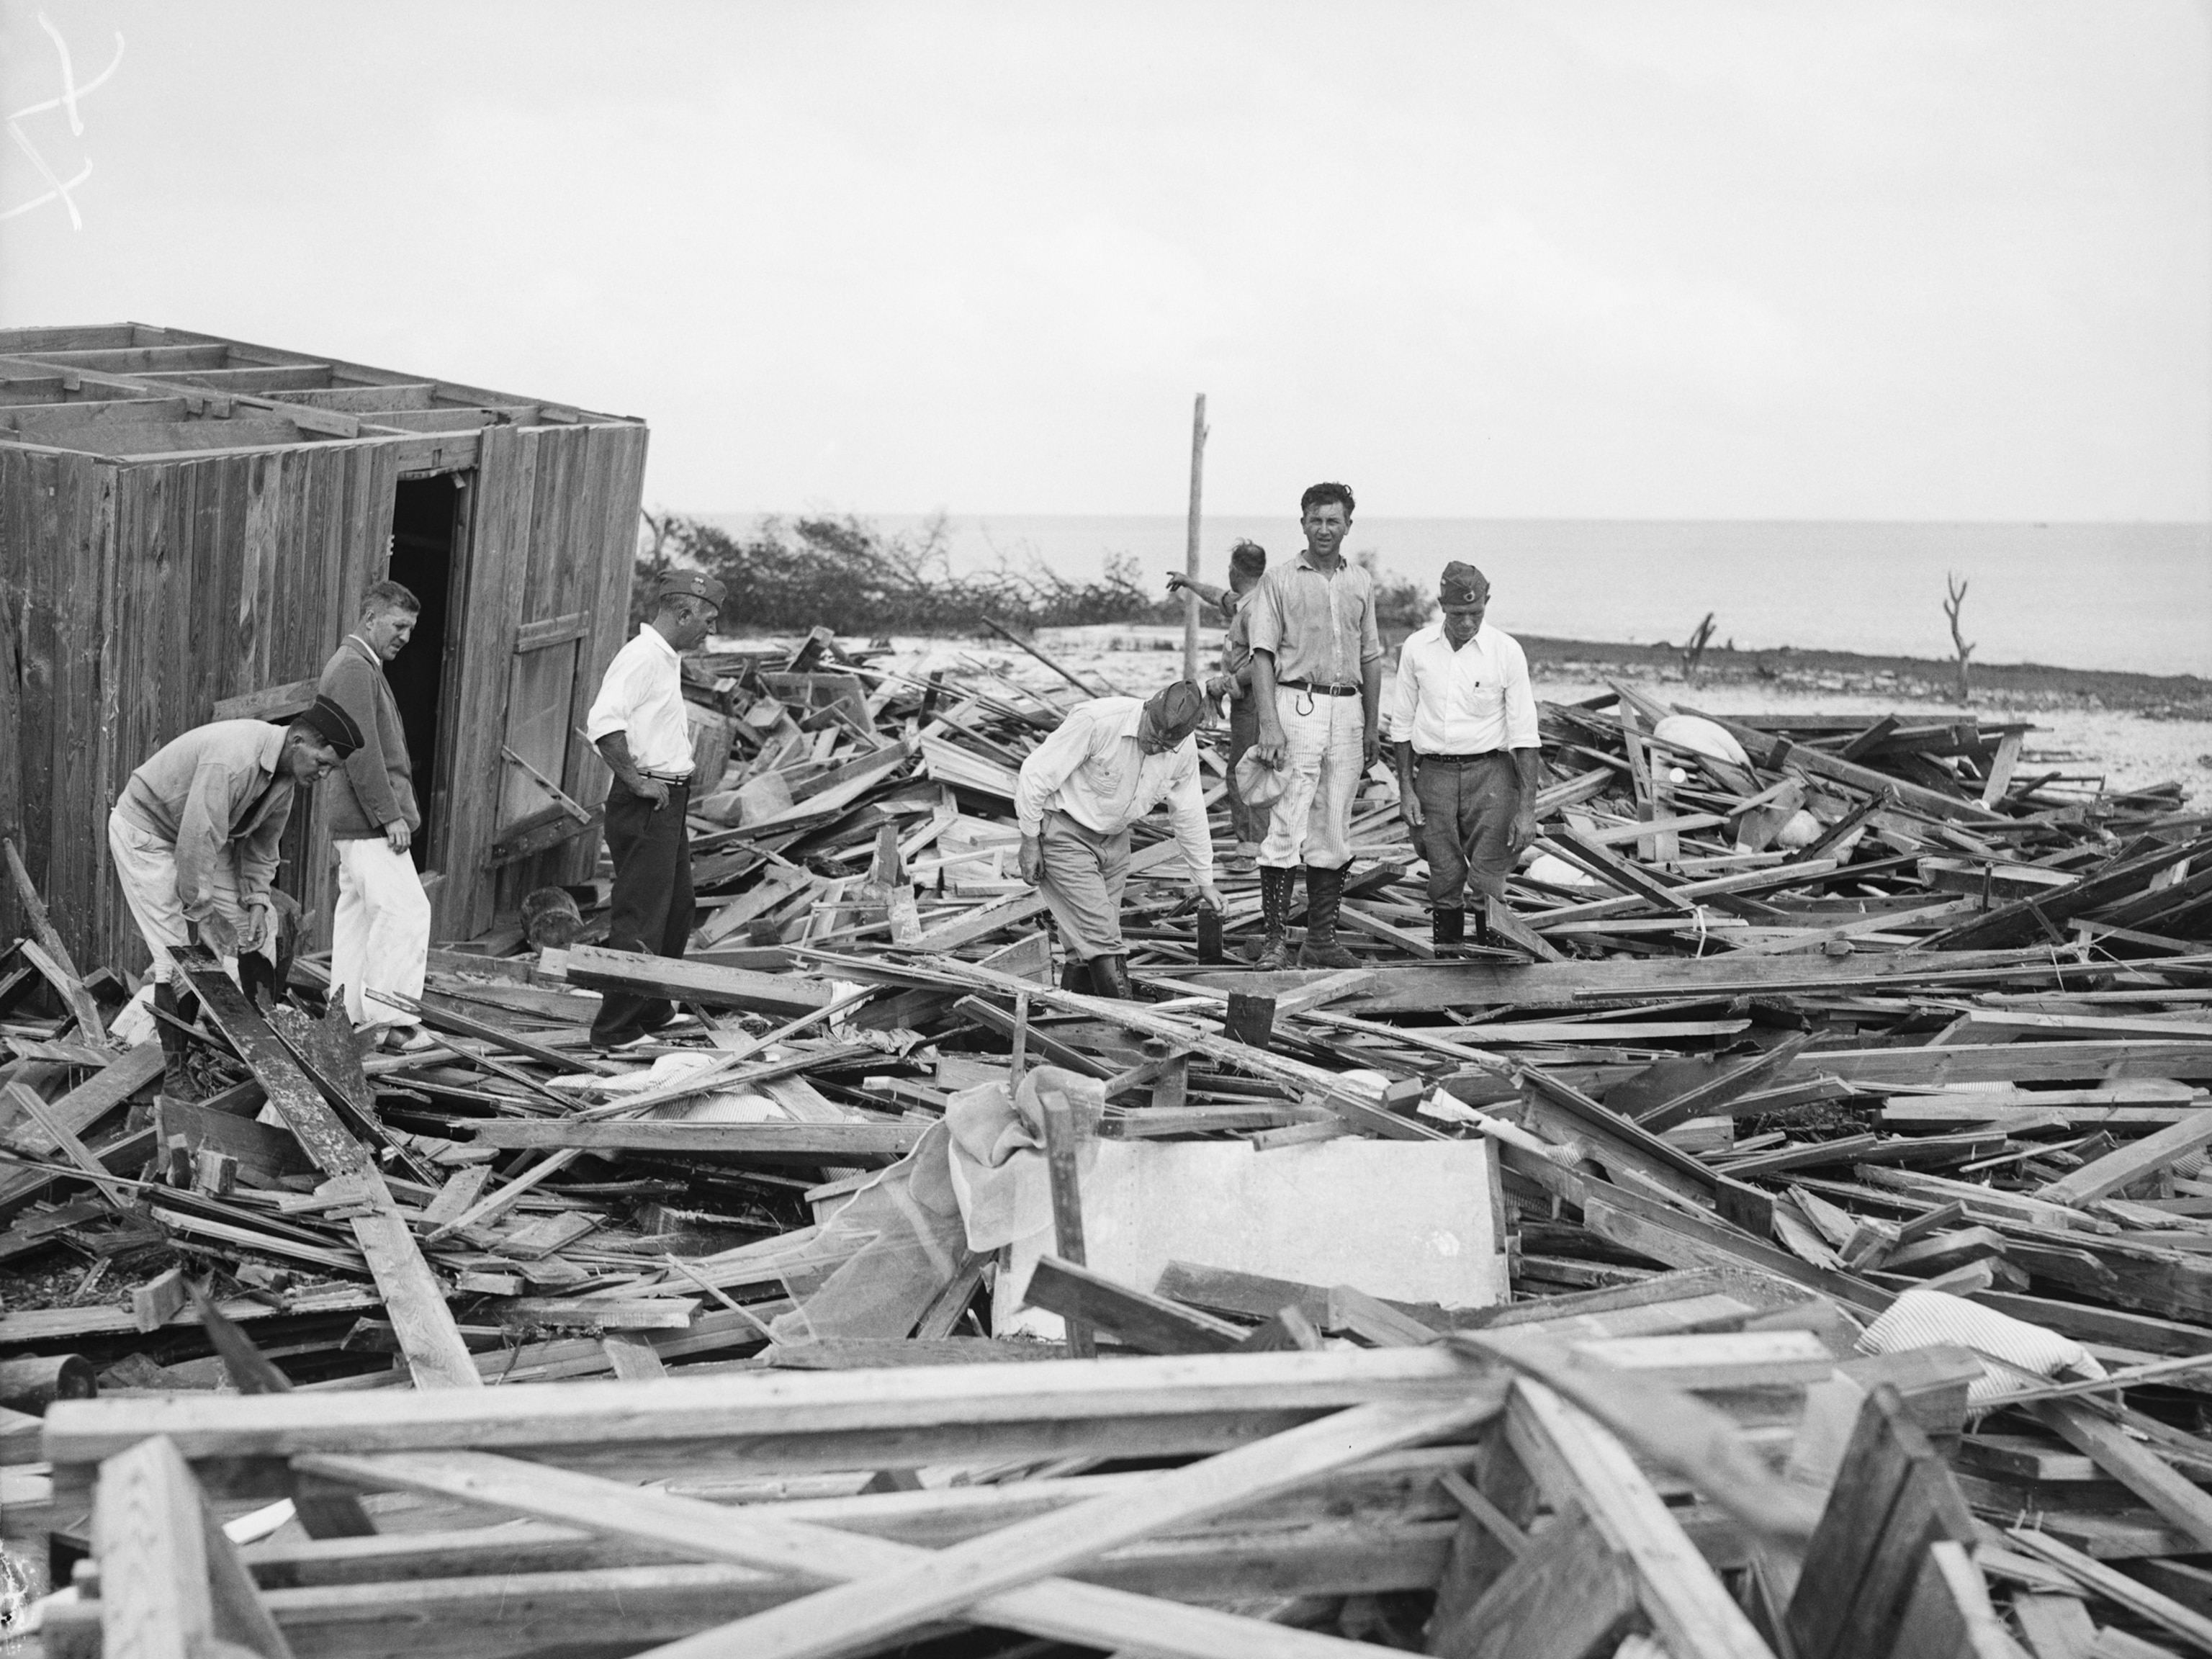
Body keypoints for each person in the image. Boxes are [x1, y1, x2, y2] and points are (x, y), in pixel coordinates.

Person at [108, 701, 359, 1097]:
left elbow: (263, 845)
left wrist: (258, 901)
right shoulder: (235, 760)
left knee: (262, 926)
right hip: (148, 834)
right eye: (322, 764)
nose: (325, 775)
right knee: (177, 955)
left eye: (331, 769)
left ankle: (258, 1041)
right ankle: (175, 1075)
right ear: (297, 741)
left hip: (200, 836)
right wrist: (203, 914)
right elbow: (195, 841)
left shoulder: (287, 777)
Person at [1244, 482, 1383, 970]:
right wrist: (1268, 723)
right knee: (1287, 820)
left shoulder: (1360, 582)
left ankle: (1321, 939)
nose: (1325, 529)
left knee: (1334, 827)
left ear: (1348, 525)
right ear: (1303, 523)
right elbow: (1262, 654)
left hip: (1347, 711)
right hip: (1296, 705)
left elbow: (1370, 655)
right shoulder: (1279, 580)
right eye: (1316, 520)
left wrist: (1371, 724)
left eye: (1334, 521)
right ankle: (1275, 942)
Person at [1014, 680, 1226, 999]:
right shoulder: (1097, 721)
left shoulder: (1183, 749)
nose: (1155, 747)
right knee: (1102, 934)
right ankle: (1125, 1016)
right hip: (1065, 831)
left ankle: (1080, 1025)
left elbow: (1190, 811)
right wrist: (1030, 841)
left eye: (1165, 745)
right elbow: (1034, 774)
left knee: (1083, 944)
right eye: (1152, 736)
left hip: (1115, 840)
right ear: (1147, 710)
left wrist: (1204, 880)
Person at [584, 568, 722, 1051]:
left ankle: (653, 1006)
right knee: (641, 912)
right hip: (648, 799)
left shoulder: (666, 658)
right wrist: (635, 779)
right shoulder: (641, 658)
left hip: (670, 799)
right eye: (708, 618)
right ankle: (615, 1028)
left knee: (678, 905)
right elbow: (603, 723)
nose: (711, 628)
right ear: (682, 612)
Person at [1390, 561, 1543, 948]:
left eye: (1476, 613)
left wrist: (1526, 809)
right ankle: (1448, 958)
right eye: (1458, 614)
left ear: (1487, 603)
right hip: (1435, 776)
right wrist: (1406, 790)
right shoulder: (1416, 649)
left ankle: (1491, 959)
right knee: (1442, 871)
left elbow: (1525, 735)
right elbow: (1402, 726)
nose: (1467, 623)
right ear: (1443, 606)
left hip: (1492, 775)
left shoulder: (1506, 651)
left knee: (1490, 875)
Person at [320, 580, 434, 1050]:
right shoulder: (353, 668)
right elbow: (358, 749)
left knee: (360, 918)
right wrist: (389, 815)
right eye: (398, 624)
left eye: (410, 628)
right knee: (406, 911)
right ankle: (393, 1022)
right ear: (370, 619)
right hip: (369, 823)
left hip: (358, 822)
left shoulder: (359, 666)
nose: (405, 637)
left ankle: (346, 1015)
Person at [1166, 539, 1270, 863]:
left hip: (1256, 702)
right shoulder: (1246, 602)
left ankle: (1252, 851)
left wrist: (1224, 684)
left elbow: (1262, 663)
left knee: (1247, 772)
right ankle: (1254, 846)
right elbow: (1218, 597)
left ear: (1234, 570)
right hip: (1246, 703)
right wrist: (1188, 582)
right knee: (1245, 770)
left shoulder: (1257, 612)